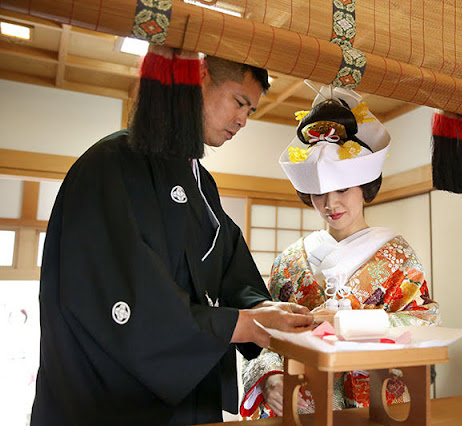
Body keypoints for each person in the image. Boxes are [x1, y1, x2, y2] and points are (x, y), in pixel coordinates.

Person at [31, 46, 313, 426]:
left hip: (187, 399)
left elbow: (230, 268)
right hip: (109, 403)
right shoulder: (110, 164)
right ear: (198, 79)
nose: (243, 120)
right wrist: (240, 324)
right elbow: (121, 297)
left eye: (250, 111)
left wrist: (260, 310)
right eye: (239, 102)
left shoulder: (202, 183)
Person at [240, 86, 440, 419]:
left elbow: (426, 322)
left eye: (343, 190)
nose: (330, 204)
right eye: (318, 193)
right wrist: (270, 380)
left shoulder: (397, 256)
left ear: (365, 187)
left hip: (373, 405)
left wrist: (350, 321)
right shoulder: (289, 261)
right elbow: (268, 330)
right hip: (300, 402)